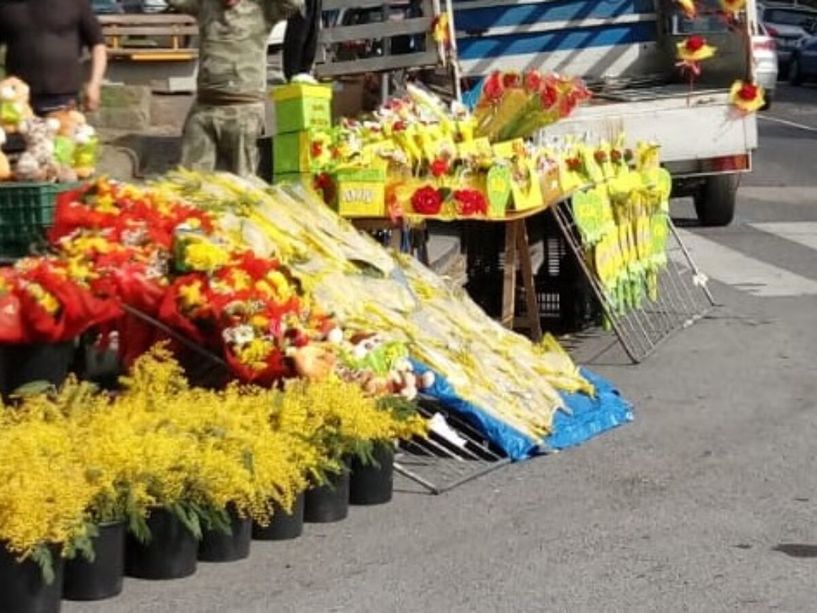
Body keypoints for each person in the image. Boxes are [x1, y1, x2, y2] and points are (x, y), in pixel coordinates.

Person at [169, 0, 302, 177]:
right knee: (188, 183)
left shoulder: (263, 8)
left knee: (244, 187)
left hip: (244, 111)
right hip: (205, 109)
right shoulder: (205, 5)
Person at [0, 0, 108, 115]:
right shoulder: (6, 5)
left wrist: (94, 85)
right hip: (17, 97)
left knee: (63, 132)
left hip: (62, 97)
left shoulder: (75, 3)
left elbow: (98, 45)